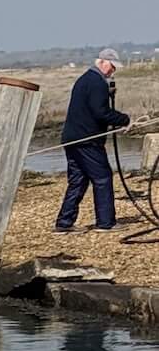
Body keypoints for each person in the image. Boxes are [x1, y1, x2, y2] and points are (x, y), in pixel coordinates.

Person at [55, 48, 130, 232]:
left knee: (78, 180)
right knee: (102, 177)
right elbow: (101, 112)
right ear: (102, 62)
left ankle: (64, 223)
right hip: (87, 140)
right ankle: (106, 223)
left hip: (72, 138)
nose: (113, 70)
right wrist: (124, 119)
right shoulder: (97, 83)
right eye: (112, 66)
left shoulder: (85, 79)